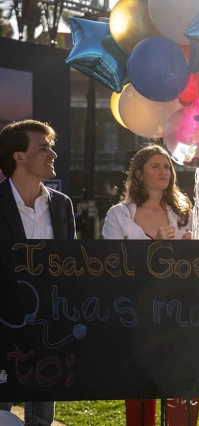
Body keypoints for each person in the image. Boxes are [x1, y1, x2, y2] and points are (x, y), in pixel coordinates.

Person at [101, 144, 198, 426]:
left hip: (180, 311)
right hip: (136, 313)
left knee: (183, 384)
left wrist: (191, 254)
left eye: (167, 166)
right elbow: (111, 267)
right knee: (141, 389)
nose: (164, 171)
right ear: (139, 174)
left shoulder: (183, 213)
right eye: (155, 166)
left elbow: (195, 268)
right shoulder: (118, 215)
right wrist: (153, 247)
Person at [0, 120, 76, 426]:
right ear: (19, 156)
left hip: (48, 326)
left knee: (42, 416)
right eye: (43, 148)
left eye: (52, 147)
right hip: (3, 324)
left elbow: (68, 266)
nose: (53, 154)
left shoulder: (62, 205)